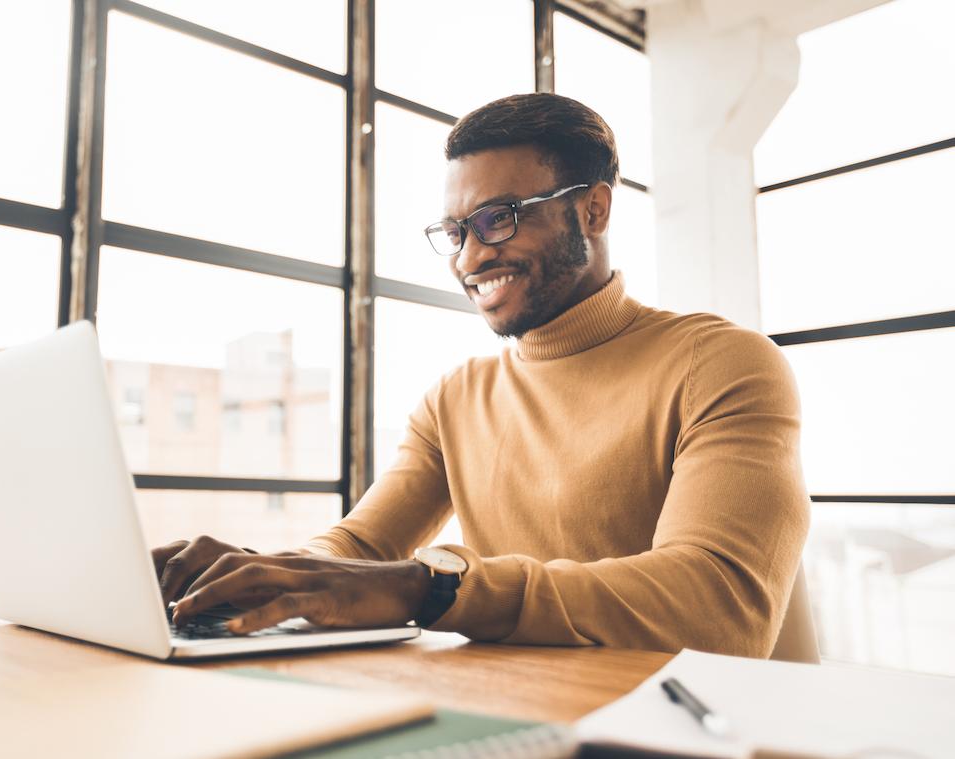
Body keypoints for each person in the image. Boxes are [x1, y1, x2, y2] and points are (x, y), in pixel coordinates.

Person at [160, 93, 809, 657]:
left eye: (500, 217)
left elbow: (719, 607)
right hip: (537, 715)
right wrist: (259, 577)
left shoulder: (722, 364)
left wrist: (435, 585)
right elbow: (361, 544)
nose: (470, 257)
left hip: (708, 730)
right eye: (455, 229)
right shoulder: (455, 398)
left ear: (594, 211)